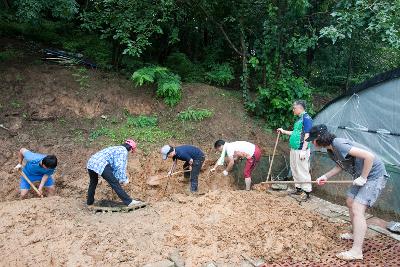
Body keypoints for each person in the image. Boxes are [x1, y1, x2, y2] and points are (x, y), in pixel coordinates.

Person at [308, 124, 388, 261]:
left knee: (357, 208)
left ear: (320, 138)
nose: (312, 142)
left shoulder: (338, 144)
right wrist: (325, 176)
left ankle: (357, 251)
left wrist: (363, 178)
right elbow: (341, 165)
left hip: (374, 175)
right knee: (350, 201)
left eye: (313, 139)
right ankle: (354, 233)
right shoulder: (331, 150)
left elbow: (369, 156)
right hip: (362, 175)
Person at [86, 139, 144, 206]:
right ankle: (129, 202)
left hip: (91, 162)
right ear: (131, 149)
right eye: (132, 151)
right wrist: (124, 179)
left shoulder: (116, 148)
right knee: (115, 183)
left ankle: (89, 202)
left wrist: (117, 177)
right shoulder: (123, 151)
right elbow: (120, 167)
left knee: (93, 182)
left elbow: (114, 167)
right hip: (101, 164)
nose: (131, 152)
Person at [277, 100, 313, 201]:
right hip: (294, 148)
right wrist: (283, 131)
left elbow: (307, 135)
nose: (293, 110)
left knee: (303, 170)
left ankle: (306, 192)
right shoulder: (299, 119)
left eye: (294, 108)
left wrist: (304, 150)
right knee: (294, 169)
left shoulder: (306, 118)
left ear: (300, 108)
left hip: (301, 149)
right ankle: (299, 188)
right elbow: (296, 133)